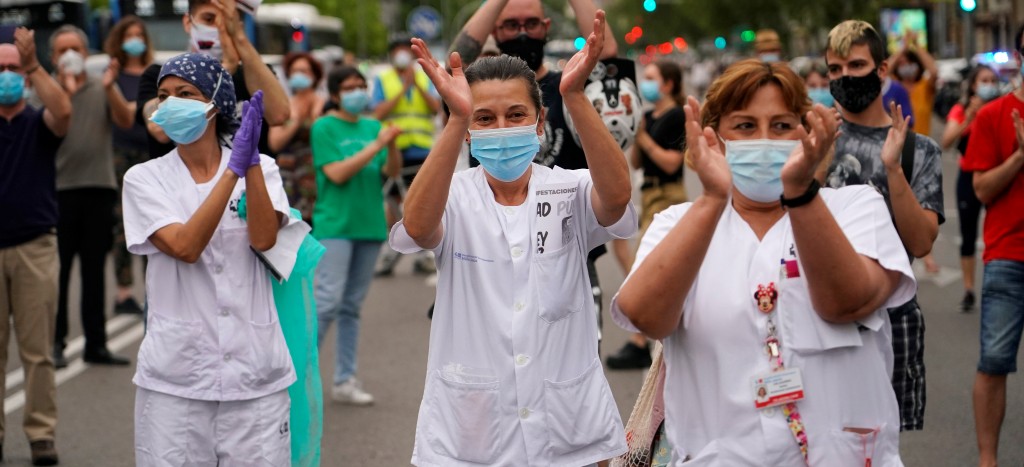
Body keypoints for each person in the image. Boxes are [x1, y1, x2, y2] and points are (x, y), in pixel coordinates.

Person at [613, 58, 915, 465]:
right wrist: (713, 199)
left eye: (781, 125)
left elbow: (846, 302)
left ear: (807, 131)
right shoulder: (678, 224)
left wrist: (800, 191)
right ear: (714, 139)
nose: (765, 140)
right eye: (745, 126)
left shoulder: (855, 209)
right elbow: (645, 316)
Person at [392, 10, 634, 464]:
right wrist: (454, 119)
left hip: (568, 427)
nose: (501, 129)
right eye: (484, 119)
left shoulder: (570, 188)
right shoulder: (453, 196)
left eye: (516, 114)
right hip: (473, 431)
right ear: (468, 131)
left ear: (540, 122)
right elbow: (420, 227)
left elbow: (617, 196)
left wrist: (575, 96)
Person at [122, 53, 294, 465]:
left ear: (216, 102)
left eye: (185, 94)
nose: (171, 104)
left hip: (255, 376)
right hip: (177, 382)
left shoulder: (264, 169)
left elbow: (265, 237)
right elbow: (185, 246)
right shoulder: (144, 179)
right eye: (164, 96)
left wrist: (249, 162)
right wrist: (232, 172)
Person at [451, 0, 629, 335]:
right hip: (485, 259)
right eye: (510, 25)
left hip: (569, 259)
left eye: (531, 23)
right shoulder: (477, 88)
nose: (522, 33)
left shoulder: (572, 84)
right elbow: (455, 61)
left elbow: (604, 55)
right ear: (494, 31)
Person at [824, 20, 943, 432]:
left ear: (882, 70)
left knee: (882, 444)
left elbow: (923, 242)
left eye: (856, 65)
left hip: (893, 319)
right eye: (834, 70)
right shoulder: (814, 139)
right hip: (819, 316)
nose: (845, 77)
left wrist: (893, 169)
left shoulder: (918, 149)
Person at [0, 27, 70, 467]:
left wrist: (33, 64)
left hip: (34, 247)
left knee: (37, 351)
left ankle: (41, 434)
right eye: (0, 69)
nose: (7, 75)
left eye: (12, 68)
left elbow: (62, 110)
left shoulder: (38, 124)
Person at [45, 25, 135, 369]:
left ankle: (96, 344)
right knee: (59, 272)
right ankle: (56, 342)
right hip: (58, 192)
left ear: (86, 53)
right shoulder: (47, 90)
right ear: (53, 57)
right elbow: (57, 124)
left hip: (98, 187)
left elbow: (126, 120)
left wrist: (111, 88)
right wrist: (65, 91)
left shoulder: (101, 87)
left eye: (76, 48)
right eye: (62, 49)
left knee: (95, 271)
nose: (70, 55)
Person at [312, 65, 401, 405]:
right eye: (349, 87)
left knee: (351, 307)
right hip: (335, 226)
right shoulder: (324, 127)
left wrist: (390, 146)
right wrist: (376, 144)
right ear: (335, 94)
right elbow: (336, 173)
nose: (358, 92)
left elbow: (390, 172)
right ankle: (297, 376)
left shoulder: (372, 126)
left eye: (361, 85)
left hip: (369, 225)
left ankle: (344, 379)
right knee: (327, 302)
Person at [964, 25, 1024, 467]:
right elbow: (982, 189)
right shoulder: (992, 115)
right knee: (994, 361)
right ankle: (989, 460)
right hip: (1009, 255)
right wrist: (1021, 155)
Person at [606, 59, 686, 370]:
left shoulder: (676, 116)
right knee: (625, 249)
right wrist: (633, 130)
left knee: (645, 263)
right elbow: (638, 162)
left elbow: (671, 163)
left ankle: (640, 340)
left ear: (668, 84)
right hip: (649, 192)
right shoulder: (650, 116)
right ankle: (651, 320)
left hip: (668, 194)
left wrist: (644, 138)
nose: (647, 84)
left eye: (652, 78)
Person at [136, 0, 290, 160]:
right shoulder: (158, 76)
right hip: (179, 181)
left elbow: (279, 115)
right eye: (209, 19)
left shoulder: (254, 74)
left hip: (247, 180)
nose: (219, 28)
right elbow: (158, 130)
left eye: (226, 22)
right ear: (188, 22)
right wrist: (224, 71)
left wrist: (239, 38)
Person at [371, 35, 442, 277]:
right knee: (393, 200)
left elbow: (435, 108)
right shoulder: (383, 79)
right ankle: (393, 248)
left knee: (421, 200)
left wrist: (417, 86)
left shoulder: (423, 77)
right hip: (394, 150)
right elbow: (379, 112)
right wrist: (403, 89)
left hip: (421, 149)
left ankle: (423, 251)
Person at [103, 15, 155, 316]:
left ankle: (154, 289)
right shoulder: (114, 75)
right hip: (121, 154)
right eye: (129, 34)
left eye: (139, 34)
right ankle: (124, 293)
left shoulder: (151, 73)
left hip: (150, 152)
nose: (135, 39)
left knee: (152, 222)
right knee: (123, 223)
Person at [940, 65, 1000, 313]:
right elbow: (946, 141)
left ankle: (998, 286)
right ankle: (968, 289)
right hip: (968, 175)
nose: (989, 84)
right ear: (973, 85)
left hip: (996, 177)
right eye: (984, 80)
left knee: (997, 234)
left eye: (992, 80)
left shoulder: (1000, 108)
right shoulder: (961, 110)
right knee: (968, 233)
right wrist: (970, 117)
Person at [270, 51, 325, 224]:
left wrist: (315, 111)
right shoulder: (284, 104)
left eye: (304, 71)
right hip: (289, 176)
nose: (299, 75)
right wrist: (296, 120)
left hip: (318, 174)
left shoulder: (324, 103)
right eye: (295, 71)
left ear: (315, 76)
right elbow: (275, 142)